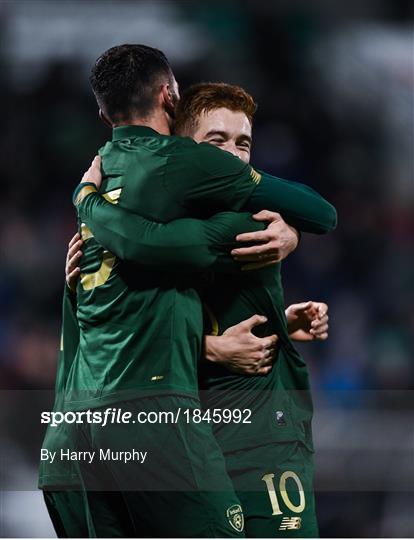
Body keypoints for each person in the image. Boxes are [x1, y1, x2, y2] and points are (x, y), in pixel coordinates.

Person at [40, 44, 335, 538]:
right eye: (215, 140)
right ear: (180, 145)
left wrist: (282, 315)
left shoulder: (113, 213)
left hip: (238, 434)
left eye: (243, 144)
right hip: (196, 434)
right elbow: (152, 264)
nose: (232, 157)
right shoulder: (178, 217)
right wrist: (213, 346)